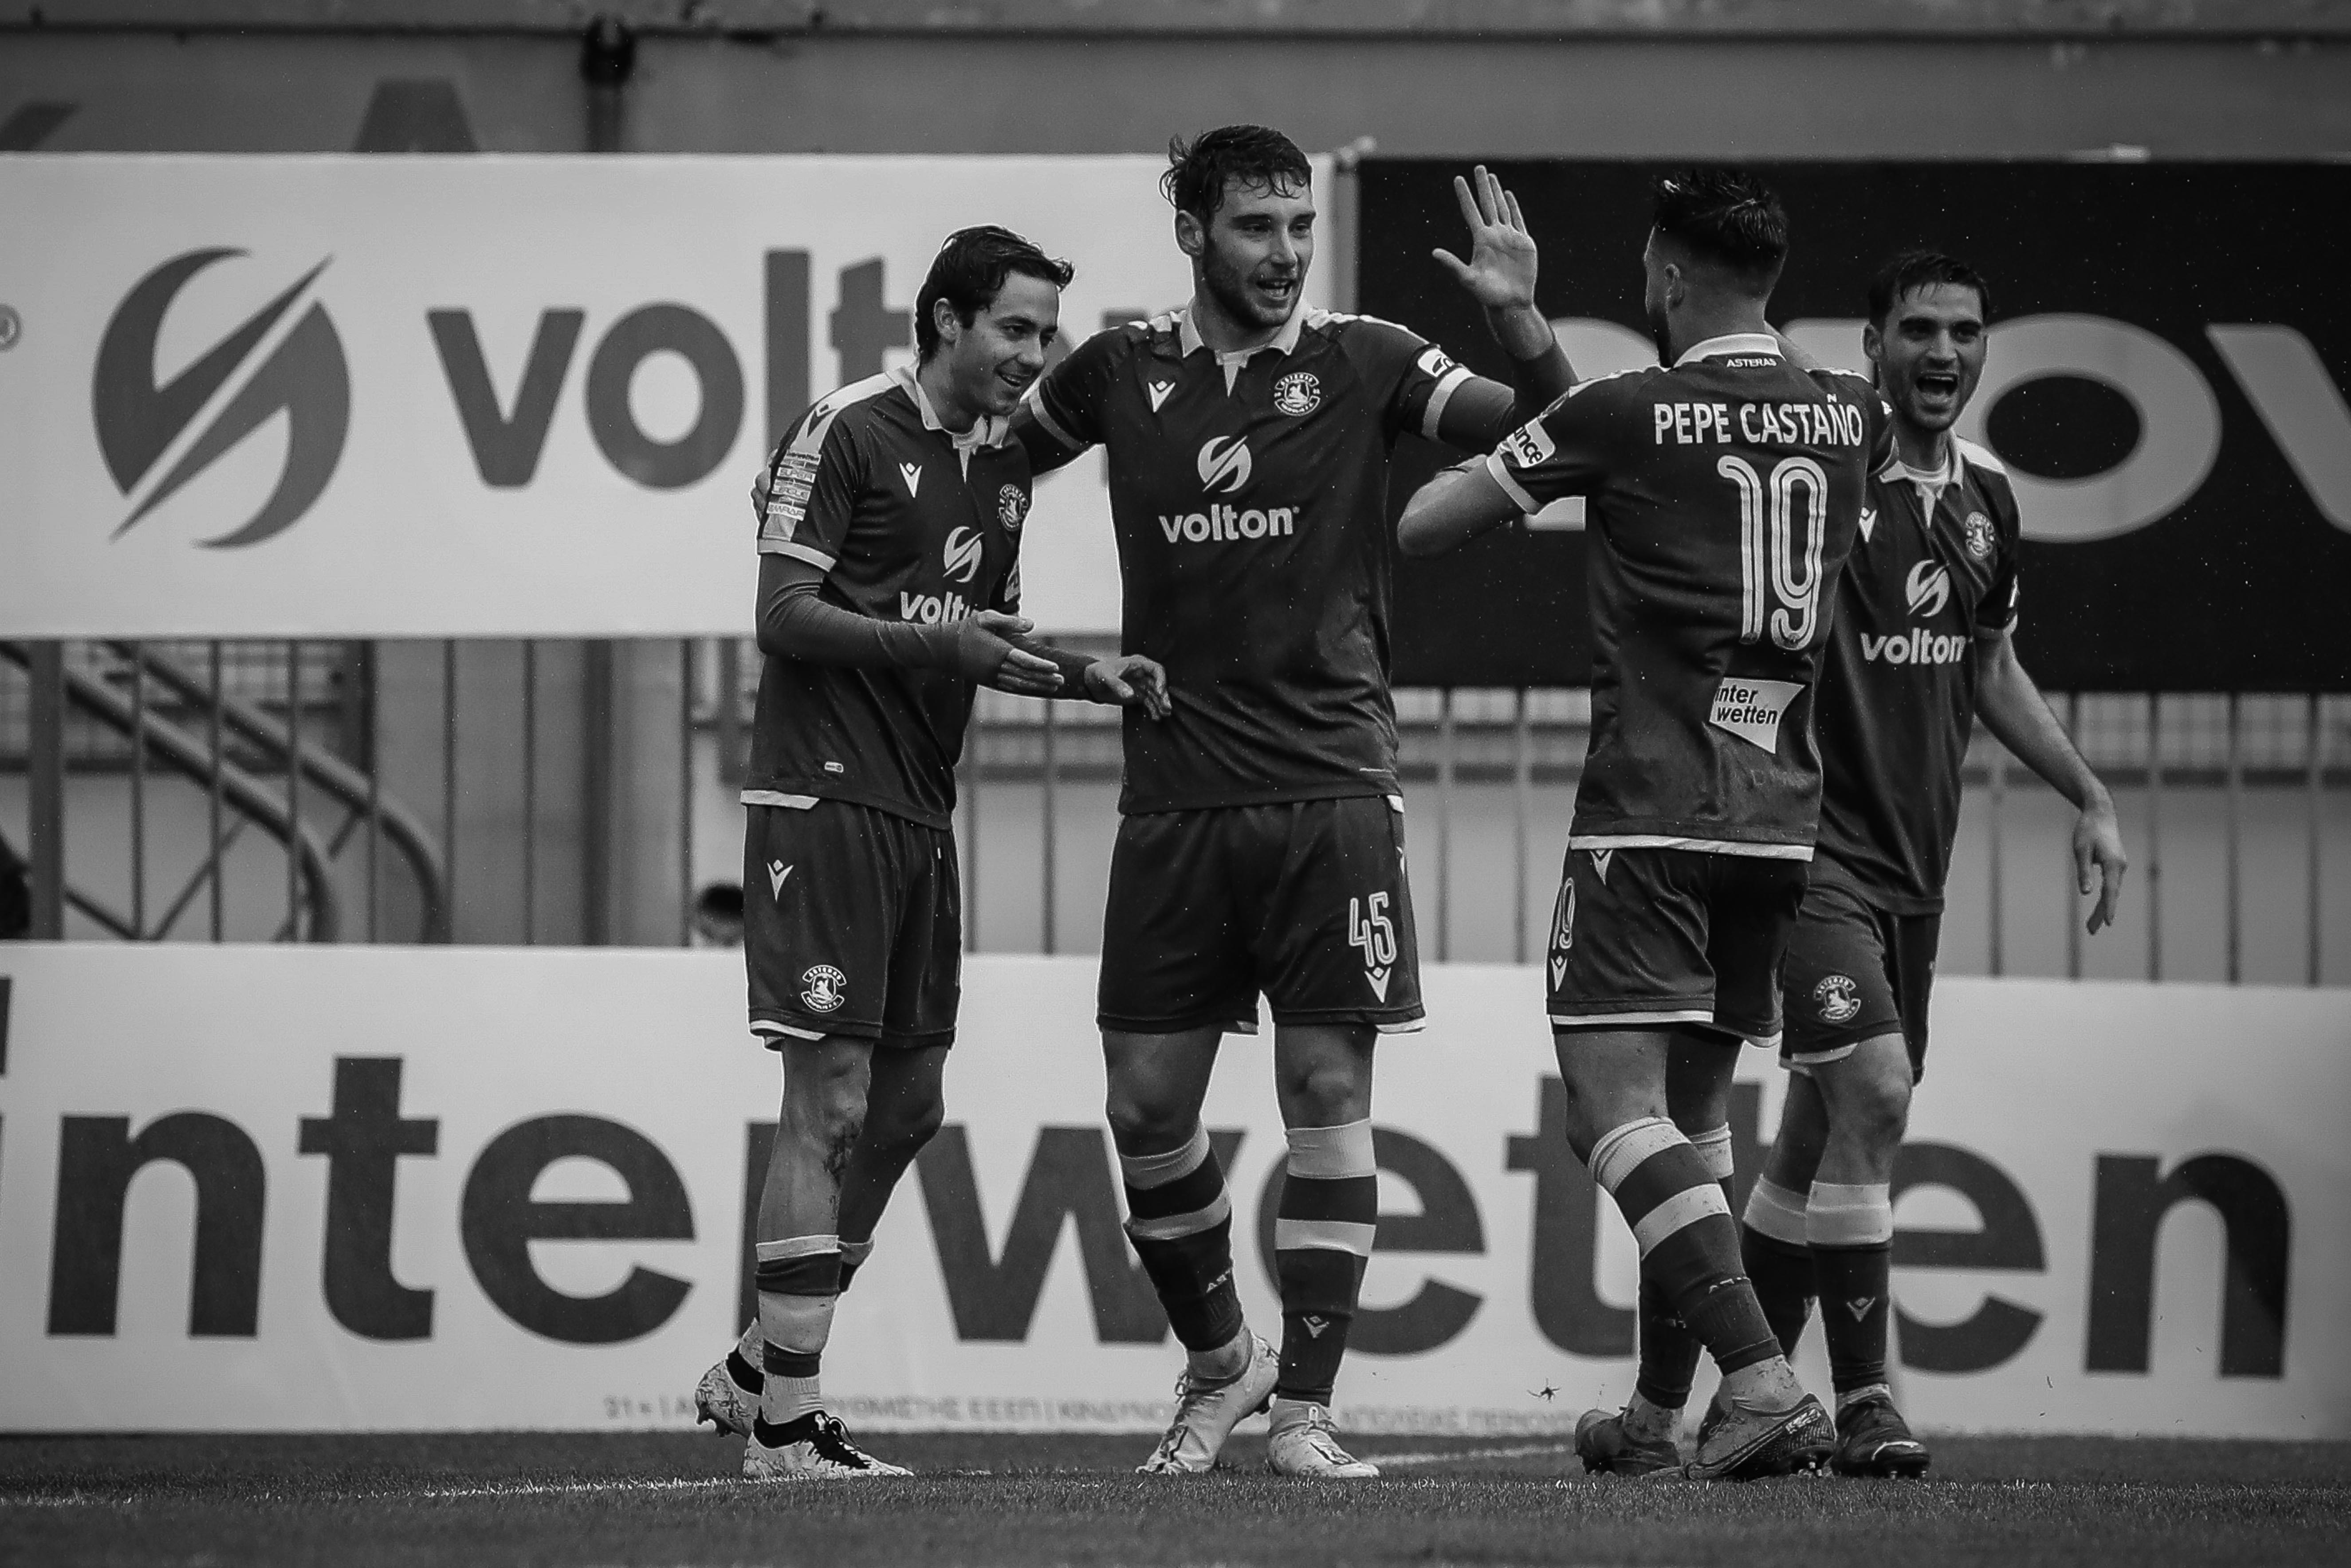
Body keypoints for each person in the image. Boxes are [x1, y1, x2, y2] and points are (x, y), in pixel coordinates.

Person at [1011, 126, 1574, 1478]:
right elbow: (984, 462)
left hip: (1328, 786)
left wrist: (1520, 323)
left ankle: (1307, 1411)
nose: (1283, 253)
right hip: (1173, 793)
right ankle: (1223, 1365)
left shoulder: (1367, 359)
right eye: (1255, 227)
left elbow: (1563, 440)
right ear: (1192, 232)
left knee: (1324, 1089)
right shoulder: (1115, 369)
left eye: (1299, 226)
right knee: (1145, 1110)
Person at [1397, 168, 1891, 1480]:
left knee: (1608, 1115)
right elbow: (1662, 454)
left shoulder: (1622, 410)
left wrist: (1524, 367)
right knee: (1694, 1117)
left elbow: (1428, 524)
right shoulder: (1852, 413)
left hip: (1651, 810)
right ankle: (1658, 1418)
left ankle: (1763, 1379)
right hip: (1778, 821)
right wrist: (1536, 343)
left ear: (1667, 274)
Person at [691, 225, 1170, 1482]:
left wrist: (1085, 677)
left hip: (916, 809)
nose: (1033, 354)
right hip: (821, 801)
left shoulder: (1001, 468)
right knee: (833, 1100)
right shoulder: (846, 428)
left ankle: (758, 1365)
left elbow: (973, 636)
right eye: (1014, 327)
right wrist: (941, 648)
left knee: (907, 1110)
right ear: (946, 321)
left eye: (1046, 333)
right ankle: (786, 1427)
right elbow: (783, 616)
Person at [1732, 252, 2127, 1477]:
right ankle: (1865, 1404)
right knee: (1878, 1094)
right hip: (1812, 854)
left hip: (1915, 870)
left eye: (1963, 331)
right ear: (1873, 345)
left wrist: (2090, 794)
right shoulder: (1831, 468)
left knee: (1814, 1136)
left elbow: (1990, 667)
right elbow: (1766, 369)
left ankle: (1728, 1401)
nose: (1942, 352)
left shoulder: (1988, 498)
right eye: (1916, 330)